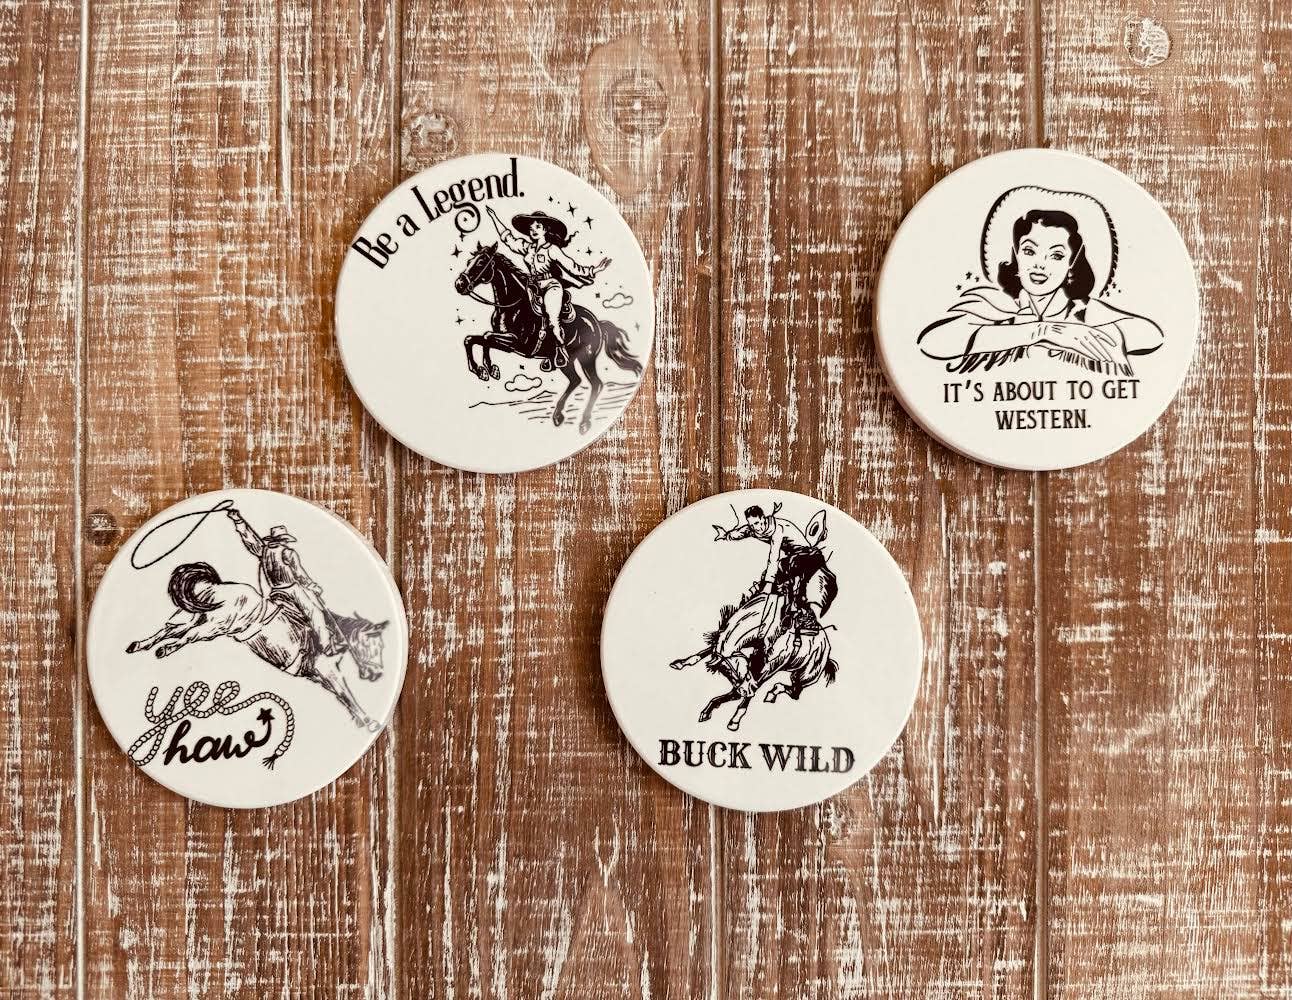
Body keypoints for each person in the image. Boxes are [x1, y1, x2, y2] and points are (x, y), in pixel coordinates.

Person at [918, 208, 1163, 375]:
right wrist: (1041, 331)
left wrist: (1075, 332)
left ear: (1072, 262)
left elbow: (1152, 336)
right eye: (1029, 251)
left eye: (1056, 255)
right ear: (1016, 254)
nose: (1040, 264)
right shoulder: (996, 305)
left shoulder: (1082, 310)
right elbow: (932, 343)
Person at [485, 205, 610, 368]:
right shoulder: (528, 248)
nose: (533, 230)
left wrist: (594, 270)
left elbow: (572, 267)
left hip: (551, 286)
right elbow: (508, 239)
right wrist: (494, 217)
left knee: (552, 319)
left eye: (538, 226)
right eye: (531, 228)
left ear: (545, 230)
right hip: (532, 286)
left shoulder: (552, 250)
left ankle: (559, 350)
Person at [225, 508, 345, 656]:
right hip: (291, 590)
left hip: (275, 592)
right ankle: (327, 646)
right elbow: (300, 574)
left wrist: (238, 520)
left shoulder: (263, 551)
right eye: (285, 540)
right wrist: (313, 586)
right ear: (284, 540)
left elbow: (249, 538)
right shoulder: (288, 553)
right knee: (315, 613)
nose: (286, 542)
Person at [716, 505, 837, 640]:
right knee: (774, 572)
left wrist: (769, 584)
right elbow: (741, 532)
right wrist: (726, 535)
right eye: (752, 524)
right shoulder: (753, 528)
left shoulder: (777, 529)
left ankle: (805, 616)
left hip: (809, 555)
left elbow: (773, 557)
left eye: (757, 523)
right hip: (793, 557)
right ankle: (759, 604)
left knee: (791, 569)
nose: (755, 527)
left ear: (763, 518)